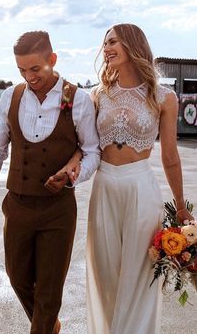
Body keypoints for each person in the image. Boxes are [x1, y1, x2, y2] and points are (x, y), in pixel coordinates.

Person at [0, 30, 100, 334]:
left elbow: (92, 151)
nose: (29, 77)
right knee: (17, 277)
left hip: (58, 211)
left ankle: (44, 324)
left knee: (48, 292)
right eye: (21, 70)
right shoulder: (11, 96)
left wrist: (72, 178)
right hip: (17, 206)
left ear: (52, 60)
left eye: (35, 68)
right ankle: (49, 325)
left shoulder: (76, 100)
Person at [84, 23, 194, 334]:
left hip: (141, 188)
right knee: (106, 272)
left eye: (113, 41)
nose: (106, 48)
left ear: (133, 45)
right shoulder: (97, 95)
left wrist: (181, 207)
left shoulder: (163, 97)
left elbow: (170, 157)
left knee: (140, 274)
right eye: (105, 43)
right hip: (104, 186)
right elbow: (86, 147)